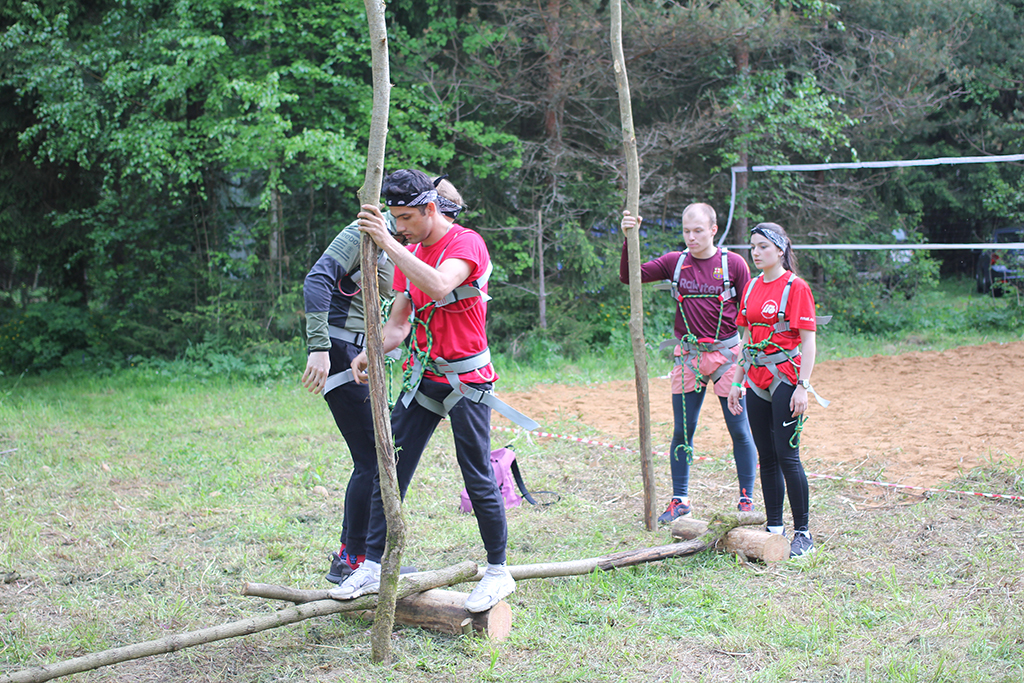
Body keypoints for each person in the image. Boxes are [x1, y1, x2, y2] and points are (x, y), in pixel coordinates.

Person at [330, 169, 527, 613]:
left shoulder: (466, 243)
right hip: (423, 378)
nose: (400, 226)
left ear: (431, 209)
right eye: (394, 218)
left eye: (406, 218)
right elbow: (398, 325)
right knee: (390, 466)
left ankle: (498, 571)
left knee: (476, 472)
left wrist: (387, 241)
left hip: (466, 380)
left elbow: (439, 285)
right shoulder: (411, 251)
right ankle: (373, 565)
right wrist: (370, 352)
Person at [300, 178, 465, 585]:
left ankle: (363, 558)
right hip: (340, 349)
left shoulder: (413, 247)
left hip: (364, 350)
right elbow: (318, 279)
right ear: (428, 207)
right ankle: (353, 559)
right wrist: (319, 347)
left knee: (379, 455)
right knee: (372, 458)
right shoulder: (367, 231)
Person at [620, 204, 757, 524]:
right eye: (686, 231)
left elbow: (749, 313)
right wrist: (629, 237)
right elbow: (630, 277)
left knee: (739, 429)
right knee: (683, 430)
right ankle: (680, 500)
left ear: (713, 230)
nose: (691, 237)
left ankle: (746, 500)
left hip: (727, 357)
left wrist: (748, 361)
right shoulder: (676, 262)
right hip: (689, 358)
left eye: (698, 231)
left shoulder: (733, 264)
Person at [728, 222, 825, 558]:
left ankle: (803, 533)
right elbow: (747, 339)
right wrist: (737, 381)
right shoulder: (752, 286)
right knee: (766, 457)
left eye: (763, 247)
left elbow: (808, 342)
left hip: (785, 378)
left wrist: (802, 386)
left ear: (780, 250)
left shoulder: (796, 288)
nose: (756, 253)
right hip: (755, 379)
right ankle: (774, 529)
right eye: (753, 247)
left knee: (787, 456)